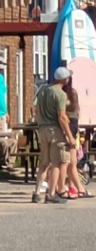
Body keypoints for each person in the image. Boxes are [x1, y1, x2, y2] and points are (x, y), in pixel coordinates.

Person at [32, 66, 76, 204]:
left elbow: (36, 109)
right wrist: (70, 136)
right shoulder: (61, 94)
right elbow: (62, 117)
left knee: (44, 163)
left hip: (42, 129)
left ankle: (37, 192)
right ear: (65, 79)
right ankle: (51, 194)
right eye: (68, 77)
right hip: (55, 130)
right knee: (56, 162)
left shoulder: (43, 90)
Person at [60, 74, 92, 198]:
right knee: (69, 161)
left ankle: (74, 187)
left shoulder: (65, 94)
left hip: (71, 126)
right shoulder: (68, 94)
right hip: (71, 126)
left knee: (70, 161)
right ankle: (72, 188)